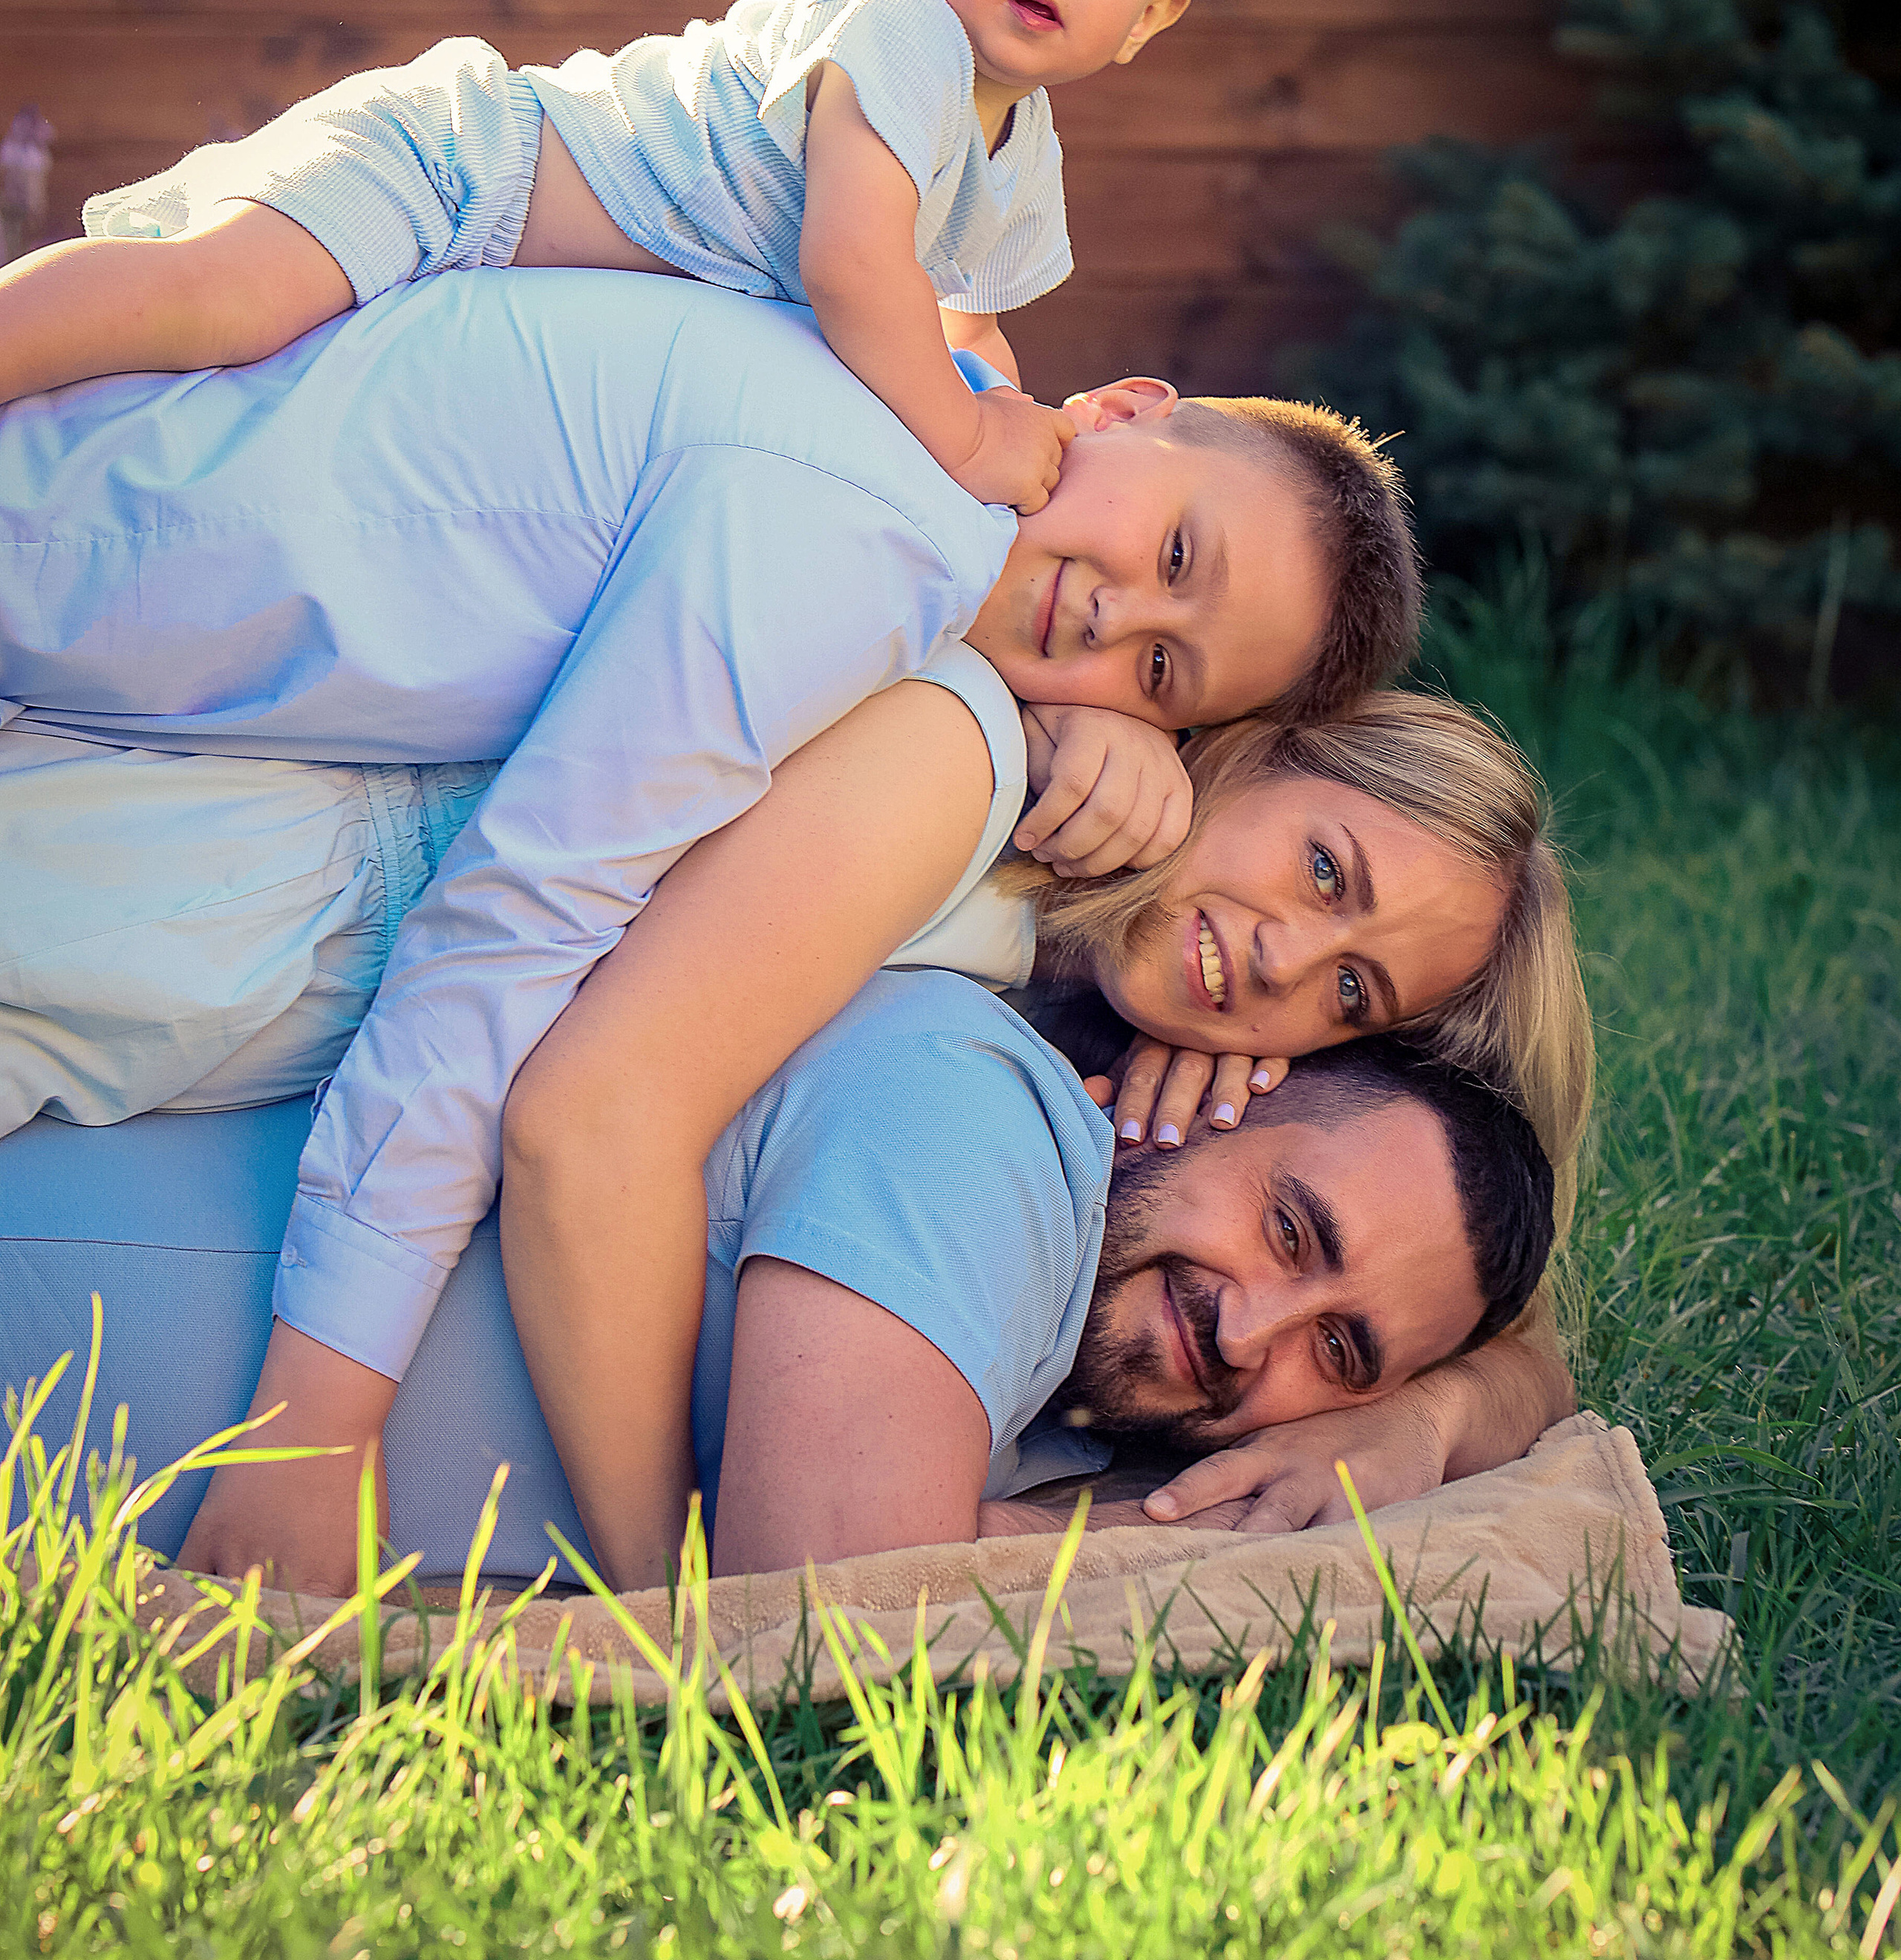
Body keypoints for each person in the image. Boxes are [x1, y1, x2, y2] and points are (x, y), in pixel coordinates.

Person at [0, 262, 1419, 1586]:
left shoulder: (971, 687)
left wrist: (1441, 1409)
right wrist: (359, 1441)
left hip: (202, 848)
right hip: (196, 868)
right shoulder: (892, 614)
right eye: (1322, 870)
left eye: (1355, 993)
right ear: (1120, 409)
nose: (1287, 955)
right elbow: (543, 993)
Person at [0, 0, 1237, 515]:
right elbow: (861, 271)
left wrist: (998, 410)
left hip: (499, 236)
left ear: (1147, 19)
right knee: (221, 300)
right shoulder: (901, 34)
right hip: (464, 167)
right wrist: (967, 449)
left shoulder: (1014, 138)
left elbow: (958, 316)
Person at [0, 991, 1567, 1588]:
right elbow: (820, 1599)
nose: (1251, 1330)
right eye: (1291, 1233)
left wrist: (1418, 1425)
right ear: (1206, 1096)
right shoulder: (981, 1118)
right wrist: (1215, 1530)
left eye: (1336, 1349)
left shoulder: (1048, 1394)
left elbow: (1540, 1381)